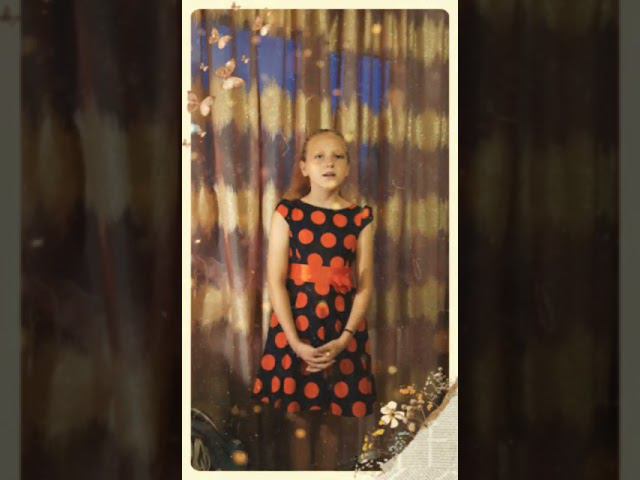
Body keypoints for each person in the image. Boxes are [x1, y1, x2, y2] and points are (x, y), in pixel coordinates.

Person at [249, 128, 377, 469]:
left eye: (338, 156)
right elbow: (276, 282)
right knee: (299, 422)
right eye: (319, 156)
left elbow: (364, 286)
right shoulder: (287, 213)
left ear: (347, 167)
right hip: (296, 331)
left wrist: (344, 339)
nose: (329, 163)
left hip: (341, 332)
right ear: (304, 167)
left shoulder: (360, 218)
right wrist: (294, 342)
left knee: (333, 421)